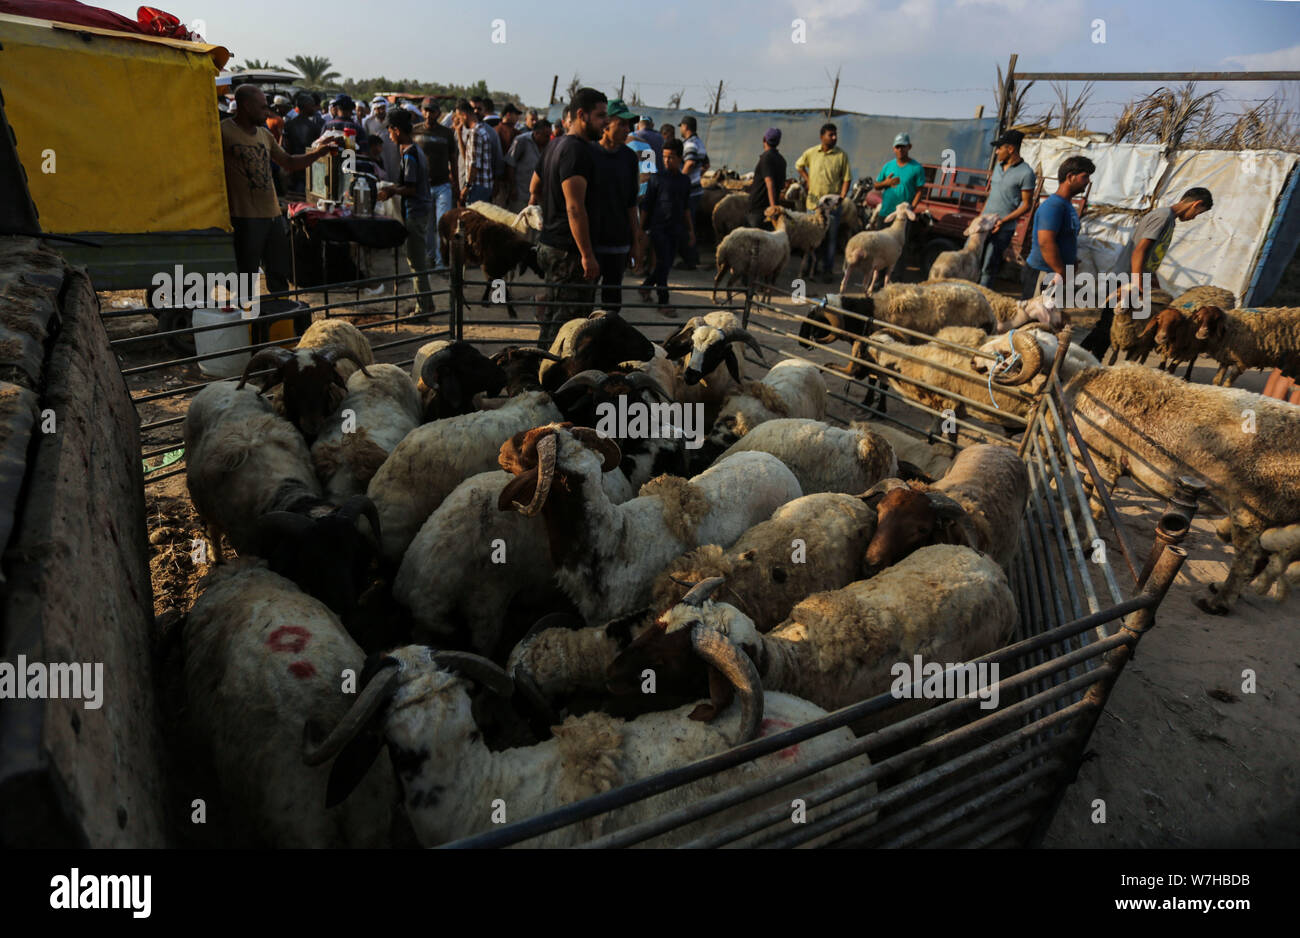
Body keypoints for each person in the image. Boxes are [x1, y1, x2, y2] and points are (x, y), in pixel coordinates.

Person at [221, 84, 335, 296]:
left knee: (278, 274)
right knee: (245, 279)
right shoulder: (224, 131)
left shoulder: (265, 135)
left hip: (273, 215)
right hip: (244, 217)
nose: (267, 112)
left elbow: (289, 162)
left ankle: (279, 319)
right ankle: (246, 320)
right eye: (263, 107)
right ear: (246, 106)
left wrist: (319, 153)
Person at [1080, 186, 1214, 359]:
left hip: (1131, 278)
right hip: (1125, 280)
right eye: (1198, 213)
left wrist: (1152, 278)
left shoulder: (1169, 219)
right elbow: (1140, 250)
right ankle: (1078, 361)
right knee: (1109, 327)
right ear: (1196, 204)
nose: (1194, 217)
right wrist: (1136, 283)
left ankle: (1083, 361)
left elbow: (1150, 255)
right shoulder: (1163, 216)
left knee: (1109, 326)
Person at [531, 86, 607, 346]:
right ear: (581, 115)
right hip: (569, 253)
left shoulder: (555, 146)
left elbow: (534, 188)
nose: (605, 122)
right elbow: (575, 208)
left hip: (551, 244)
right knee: (569, 326)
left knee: (553, 318)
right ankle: (554, 379)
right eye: (600, 116)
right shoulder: (577, 151)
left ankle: (542, 374)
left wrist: (550, 214)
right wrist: (586, 254)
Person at [377, 107, 435, 317]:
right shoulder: (413, 150)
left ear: (396, 130)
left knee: (416, 263)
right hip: (420, 209)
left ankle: (423, 308)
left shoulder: (410, 153)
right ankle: (426, 303)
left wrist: (392, 190)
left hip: (416, 212)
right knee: (416, 261)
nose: (390, 135)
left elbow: (410, 188)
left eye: (390, 131)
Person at [589, 99, 645, 312]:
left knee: (612, 301)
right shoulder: (588, 153)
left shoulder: (630, 157)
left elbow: (632, 203)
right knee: (583, 300)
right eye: (621, 124)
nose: (627, 129)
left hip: (618, 242)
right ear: (606, 125)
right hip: (592, 242)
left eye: (629, 125)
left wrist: (636, 242)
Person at [1023, 155, 1095, 300]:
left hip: (1055, 274)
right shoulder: (1053, 206)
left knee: (1047, 318)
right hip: (1043, 274)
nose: (1087, 182)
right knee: (1033, 317)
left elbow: (1066, 238)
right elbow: (1045, 242)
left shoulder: (1067, 206)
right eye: (1084, 177)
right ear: (1070, 177)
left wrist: (1071, 261)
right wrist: (1061, 270)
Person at [639, 139, 693, 316]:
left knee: (666, 264)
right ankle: (664, 301)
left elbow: (686, 208)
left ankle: (646, 286)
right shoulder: (656, 179)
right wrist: (640, 230)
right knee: (662, 263)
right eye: (664, 157)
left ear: (679, 158)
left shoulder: (685, 181)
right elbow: (646, 206)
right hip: (658, 229)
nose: (667, 161)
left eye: (671, 157)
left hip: (675, 229)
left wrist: (690, 230)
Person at [979, 129, 1035, 287]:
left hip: (1002, 229)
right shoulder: (997, 167)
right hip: (984, 224)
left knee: (988, 267)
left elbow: (1026, 204)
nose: (997, 151)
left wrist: (1003, 221)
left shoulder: (1026, 173)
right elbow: (992, 194)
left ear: (1010, 149)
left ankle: (982, 300)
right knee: (973, 260)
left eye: (1000, 148)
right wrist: (981, 217)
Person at [795, 122, 851, 279]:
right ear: (822, 137)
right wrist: (807, 180)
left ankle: (827, 270)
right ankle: (807, 268)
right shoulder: (811, 153)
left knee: (830, 240)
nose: (834, 137)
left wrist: (841, 197)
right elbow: (799, 165)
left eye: (835, 135)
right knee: (811, 239)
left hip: (832, 207)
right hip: (813, 205)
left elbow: (847, 179)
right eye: (830, 135)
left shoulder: (841, 156)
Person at [414, 98, 458, 271]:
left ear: (438, 113)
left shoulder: (447, 133)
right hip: (423, 186)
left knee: (442, 224)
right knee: (427, 225)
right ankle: (430, 257)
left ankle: (441, 263)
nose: (428, 114)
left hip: (443, 185)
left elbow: (453, 159)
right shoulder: (414, 131)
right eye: (425, 110)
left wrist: (456, 182)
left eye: (432, 111)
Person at [678, 115, 708, 269]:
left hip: (688, 191)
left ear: (685, 126)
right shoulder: (700, 143)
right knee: (691, 224)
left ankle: (689, 260)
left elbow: (689, 162)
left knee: (686, 225)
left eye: (681, 127)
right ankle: (693, 257)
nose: (681, 130)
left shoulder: (689, 144)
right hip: (696, 188)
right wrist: (697, 176)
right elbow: (706, 164)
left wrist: (680, 179)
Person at [875, 132, 926, 222]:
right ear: (894, 149)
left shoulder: (917, 168)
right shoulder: (888, 166)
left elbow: (920, 191)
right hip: (885, 213)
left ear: (909, 147)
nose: (900, 150)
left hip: (902, 217)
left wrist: (911, 208)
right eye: (897, 147)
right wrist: (886, 183)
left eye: (903, 146)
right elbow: (876, 186)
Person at [455, 98, 496, 205]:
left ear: (464, 115)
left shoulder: (475, 133)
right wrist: (459, 133)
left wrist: (467, 187)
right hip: (482, 185)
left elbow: (474, 164)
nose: (459, 122)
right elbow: (467, 158)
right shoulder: (481, 130)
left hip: (477, 186)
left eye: (459, 118)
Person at [505, 117, 549, 212]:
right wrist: (513, 187)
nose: (548, 138)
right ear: (537, 133)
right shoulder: (521, 141)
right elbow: (510, 164)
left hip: (536, 196)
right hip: (520, 194)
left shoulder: (547, 146)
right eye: (546, 136)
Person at [747, 128, 786, 229]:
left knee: (754, 240)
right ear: (778, 142)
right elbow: (781, 186)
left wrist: (772, 209)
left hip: (760, 209)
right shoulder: (782, 160)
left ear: (764, 139)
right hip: (770, 208)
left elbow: (769, 183)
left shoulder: (766, 157)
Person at [364, 98, 400, 182]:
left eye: (382, 108)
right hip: (377, 154)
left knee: (395, 174)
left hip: (393, 152)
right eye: (377, 109)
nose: (380, 111)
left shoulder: (392, 120)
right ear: (373, 109)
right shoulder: (368, 122)